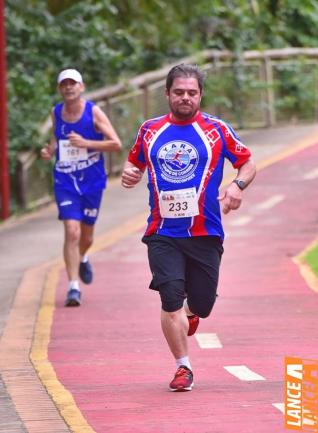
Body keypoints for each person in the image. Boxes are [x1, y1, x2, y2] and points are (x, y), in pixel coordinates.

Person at [121, 64, 256, 391]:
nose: (185, 98)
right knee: (170, 297)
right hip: (162, 232)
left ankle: (193, 312)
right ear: (167, 93)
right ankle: (183, 367)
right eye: (178, 92)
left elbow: (247, 163)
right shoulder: (150, 130)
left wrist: (237, 186)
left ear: (200, 95)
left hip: (205, 231)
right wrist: (129, 173)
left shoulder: (216, 130)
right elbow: (133, 161)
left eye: (191, 93)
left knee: (203, 303)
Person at [41, 68, 122, 307]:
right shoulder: (57, 112)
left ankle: (84, 256)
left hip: (92, 180)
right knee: (72, 230)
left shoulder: (93, 112)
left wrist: (86, 143)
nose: (68, 87)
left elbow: (116, 143)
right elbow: (57, 139)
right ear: (60, 89)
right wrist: (50, 150)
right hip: (65, 179)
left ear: (81, 87)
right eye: (64, 84)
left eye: (72, 83)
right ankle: (73, 287)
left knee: (86, 236)